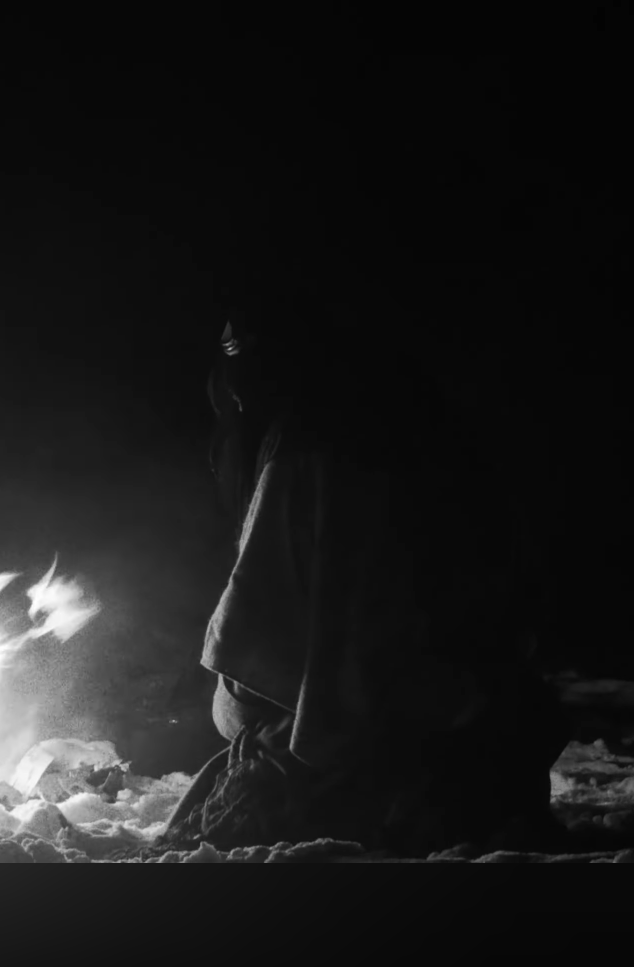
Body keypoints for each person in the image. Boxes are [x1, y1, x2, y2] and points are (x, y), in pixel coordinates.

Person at [158, 283, 571, 855]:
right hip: (490, 741)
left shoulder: (309, 449)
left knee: (213, 828)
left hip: (397, 752)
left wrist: (249, 707)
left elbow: (254, 650)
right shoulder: (436, 426)